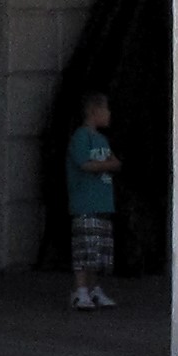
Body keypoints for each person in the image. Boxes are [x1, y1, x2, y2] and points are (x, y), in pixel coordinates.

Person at [65, 90, 122, 309]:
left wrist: (110, 164)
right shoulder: (81, 137)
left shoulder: (102, 140)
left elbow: (115, 162)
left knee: (98, 250)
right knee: (84, 248)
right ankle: (80, 291)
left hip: (102, 203)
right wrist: (107, 165)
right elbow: (85, 164)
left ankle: (93, 288)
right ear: (93, 111)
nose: (109, 114)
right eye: (105, 109)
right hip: (85, 203)